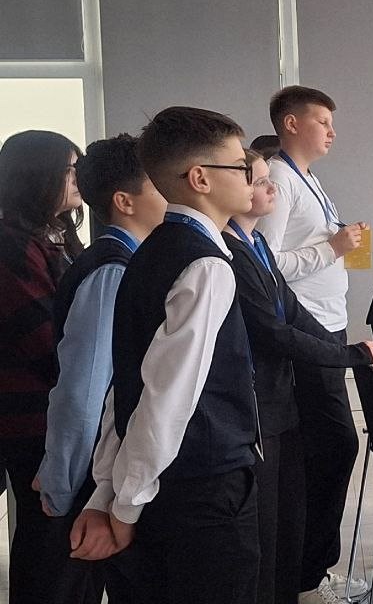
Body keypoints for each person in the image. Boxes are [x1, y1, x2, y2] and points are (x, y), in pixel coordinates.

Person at [72, 106, 260, 604]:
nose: (251, 175)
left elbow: (127, 387)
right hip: (201, 490)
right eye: (240, 165)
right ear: (200, 178)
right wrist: (124, 504)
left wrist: (109, 491)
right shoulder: (206, 266)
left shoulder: (150, 250)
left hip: (159, 485)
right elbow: (165, 398)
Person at [223, 149, 373, 604]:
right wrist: (345, 355)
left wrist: (345, 350)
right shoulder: (234, 252)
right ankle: (302, 581)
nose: (270, 186)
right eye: (259, 181)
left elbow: (291, 311)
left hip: (285, 388)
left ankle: (304, 578)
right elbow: (273, 330)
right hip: (260, 398)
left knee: (290, 501)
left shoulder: (255, 246)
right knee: (278, 508)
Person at [37, 134, 165, 604]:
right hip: (92, 468)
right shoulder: (113, 271)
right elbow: (83, 390)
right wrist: (62, 483)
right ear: (124, 201)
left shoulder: (129, 261)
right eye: (158, 185)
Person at [255, 86, 367, 602]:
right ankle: (307, 575)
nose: (331, 132)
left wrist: (338, 242)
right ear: (291, 123)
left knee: (330, 448)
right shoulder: (280, 178)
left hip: (327, 324)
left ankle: (313, 570)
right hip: (306, 330)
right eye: (322, 121)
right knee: (334, 447)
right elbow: (267, 264)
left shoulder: (308, 179)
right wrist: (332, 248)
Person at [0, 130, 84, 604]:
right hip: (34, 417)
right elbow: (45, 340)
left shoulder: (55, 235)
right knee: (49, 546)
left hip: (60, 410)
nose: (77, 179)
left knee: (66, 547)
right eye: (69, 170)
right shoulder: (11, 245)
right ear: (37, 176)